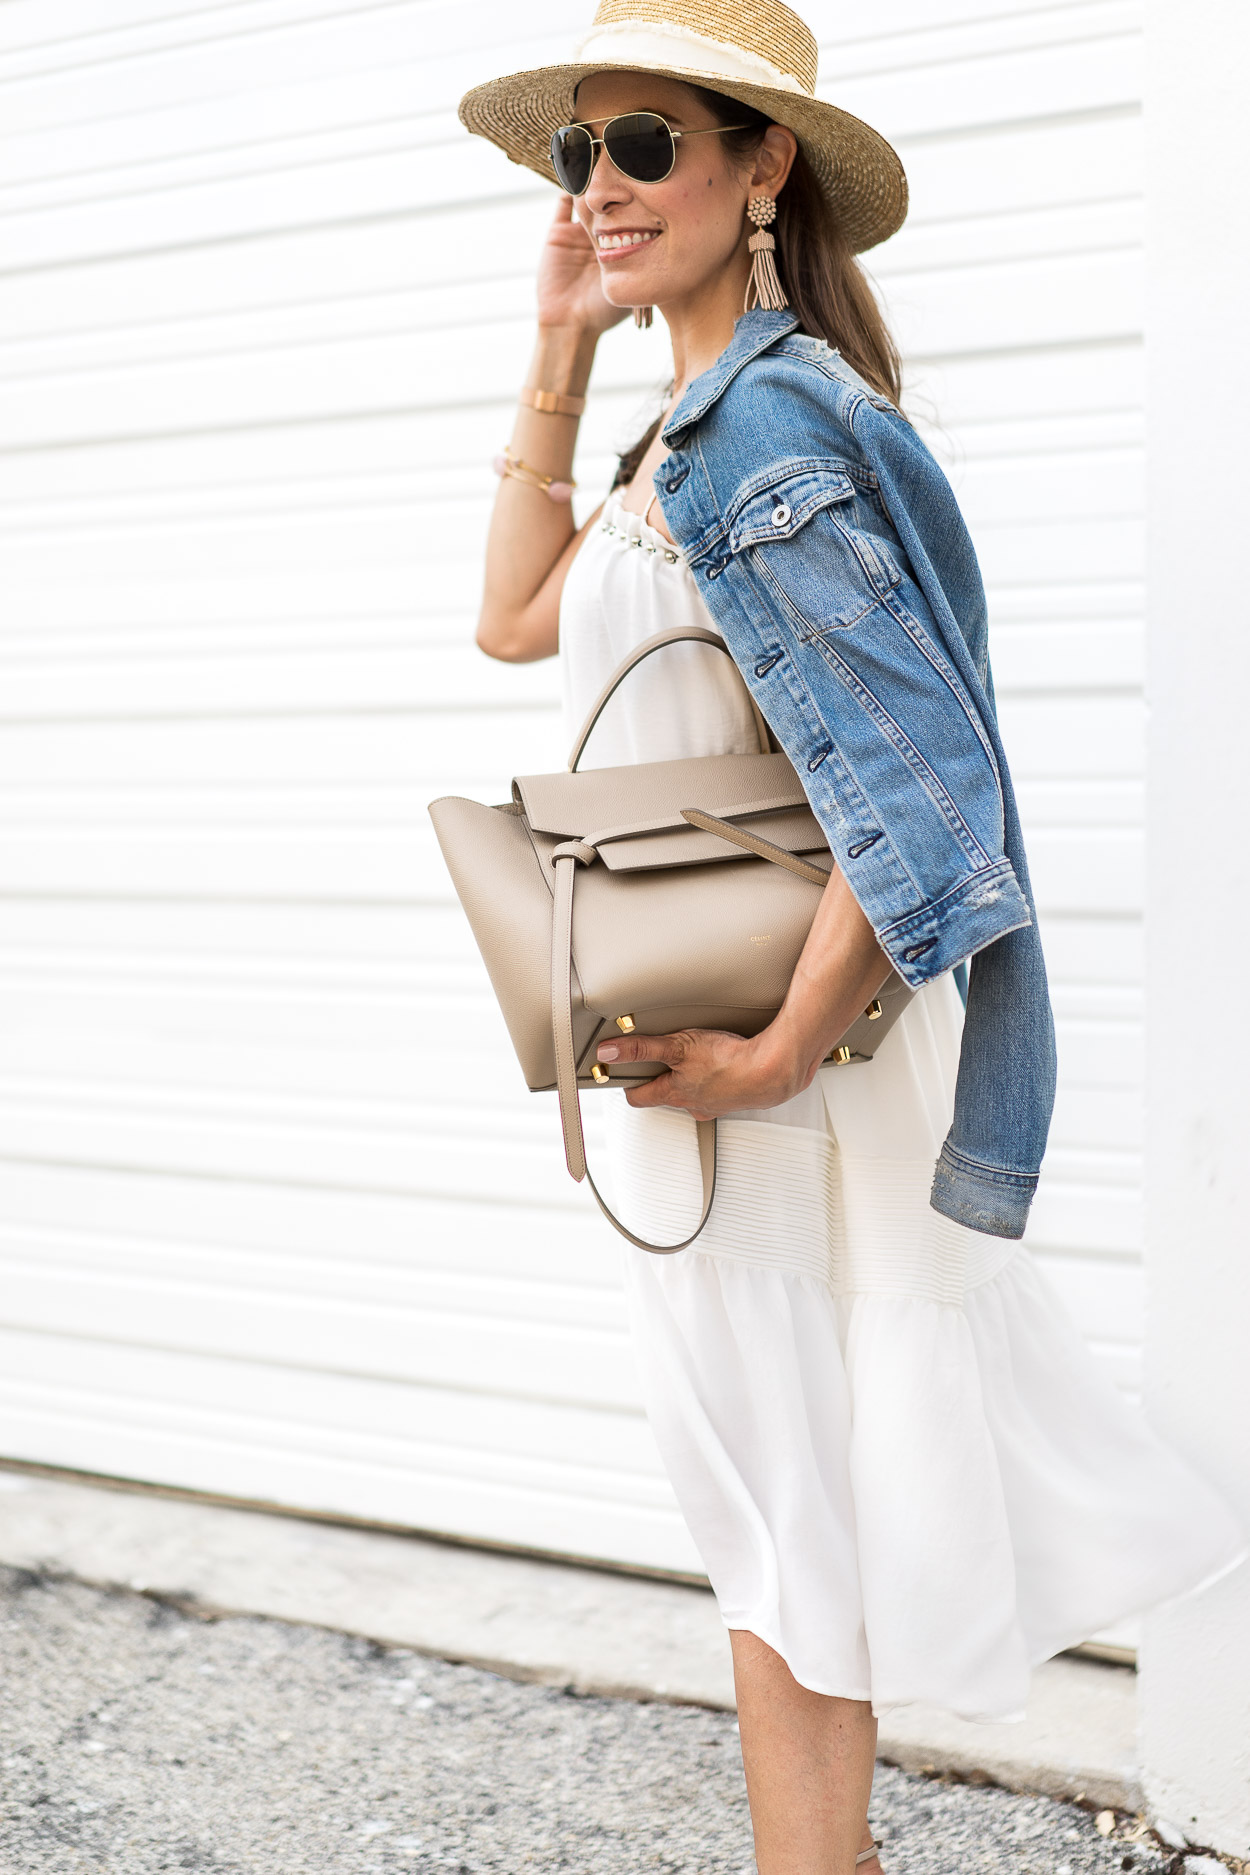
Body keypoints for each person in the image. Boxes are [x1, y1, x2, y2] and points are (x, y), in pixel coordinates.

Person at [458, 4, 1246, 1869]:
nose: (603, 186)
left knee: (785, 1512)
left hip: (763, 1070)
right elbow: (511, 623)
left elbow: (930, 797)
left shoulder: (780, 423)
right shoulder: (690, 423)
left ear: (759, 165)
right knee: (772, 1512)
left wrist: (774, 1055)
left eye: (644, 142)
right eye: (583, 153)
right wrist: (559, 347)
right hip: (708, 1049)